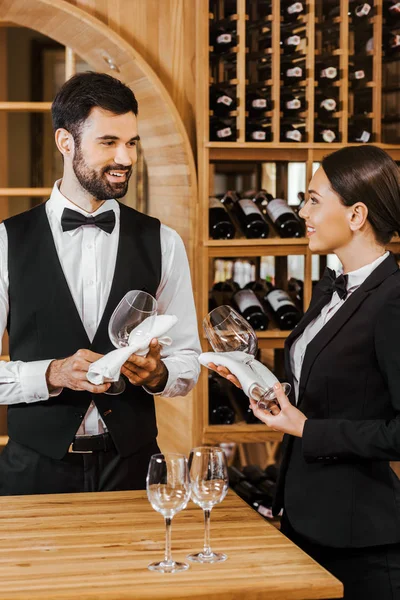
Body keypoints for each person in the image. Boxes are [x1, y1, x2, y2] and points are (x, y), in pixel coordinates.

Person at [212, 145, 400, 599]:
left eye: (314, 200)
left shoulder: (393, 302)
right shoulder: (332, 287)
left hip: (362, 542)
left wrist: (307, 428)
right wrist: (265, 387)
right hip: (303, 520)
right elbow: (335, 383)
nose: (301, 211)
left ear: (356, 215)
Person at [0, 71, 201, 495]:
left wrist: (157, 374)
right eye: (108, 143)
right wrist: (51, 373)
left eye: (131, 143)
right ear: (65, 143)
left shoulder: (162, 241)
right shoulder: (5, 241)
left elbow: (187, 362)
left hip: (134, 469)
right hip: (33, 470)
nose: (125, 158)